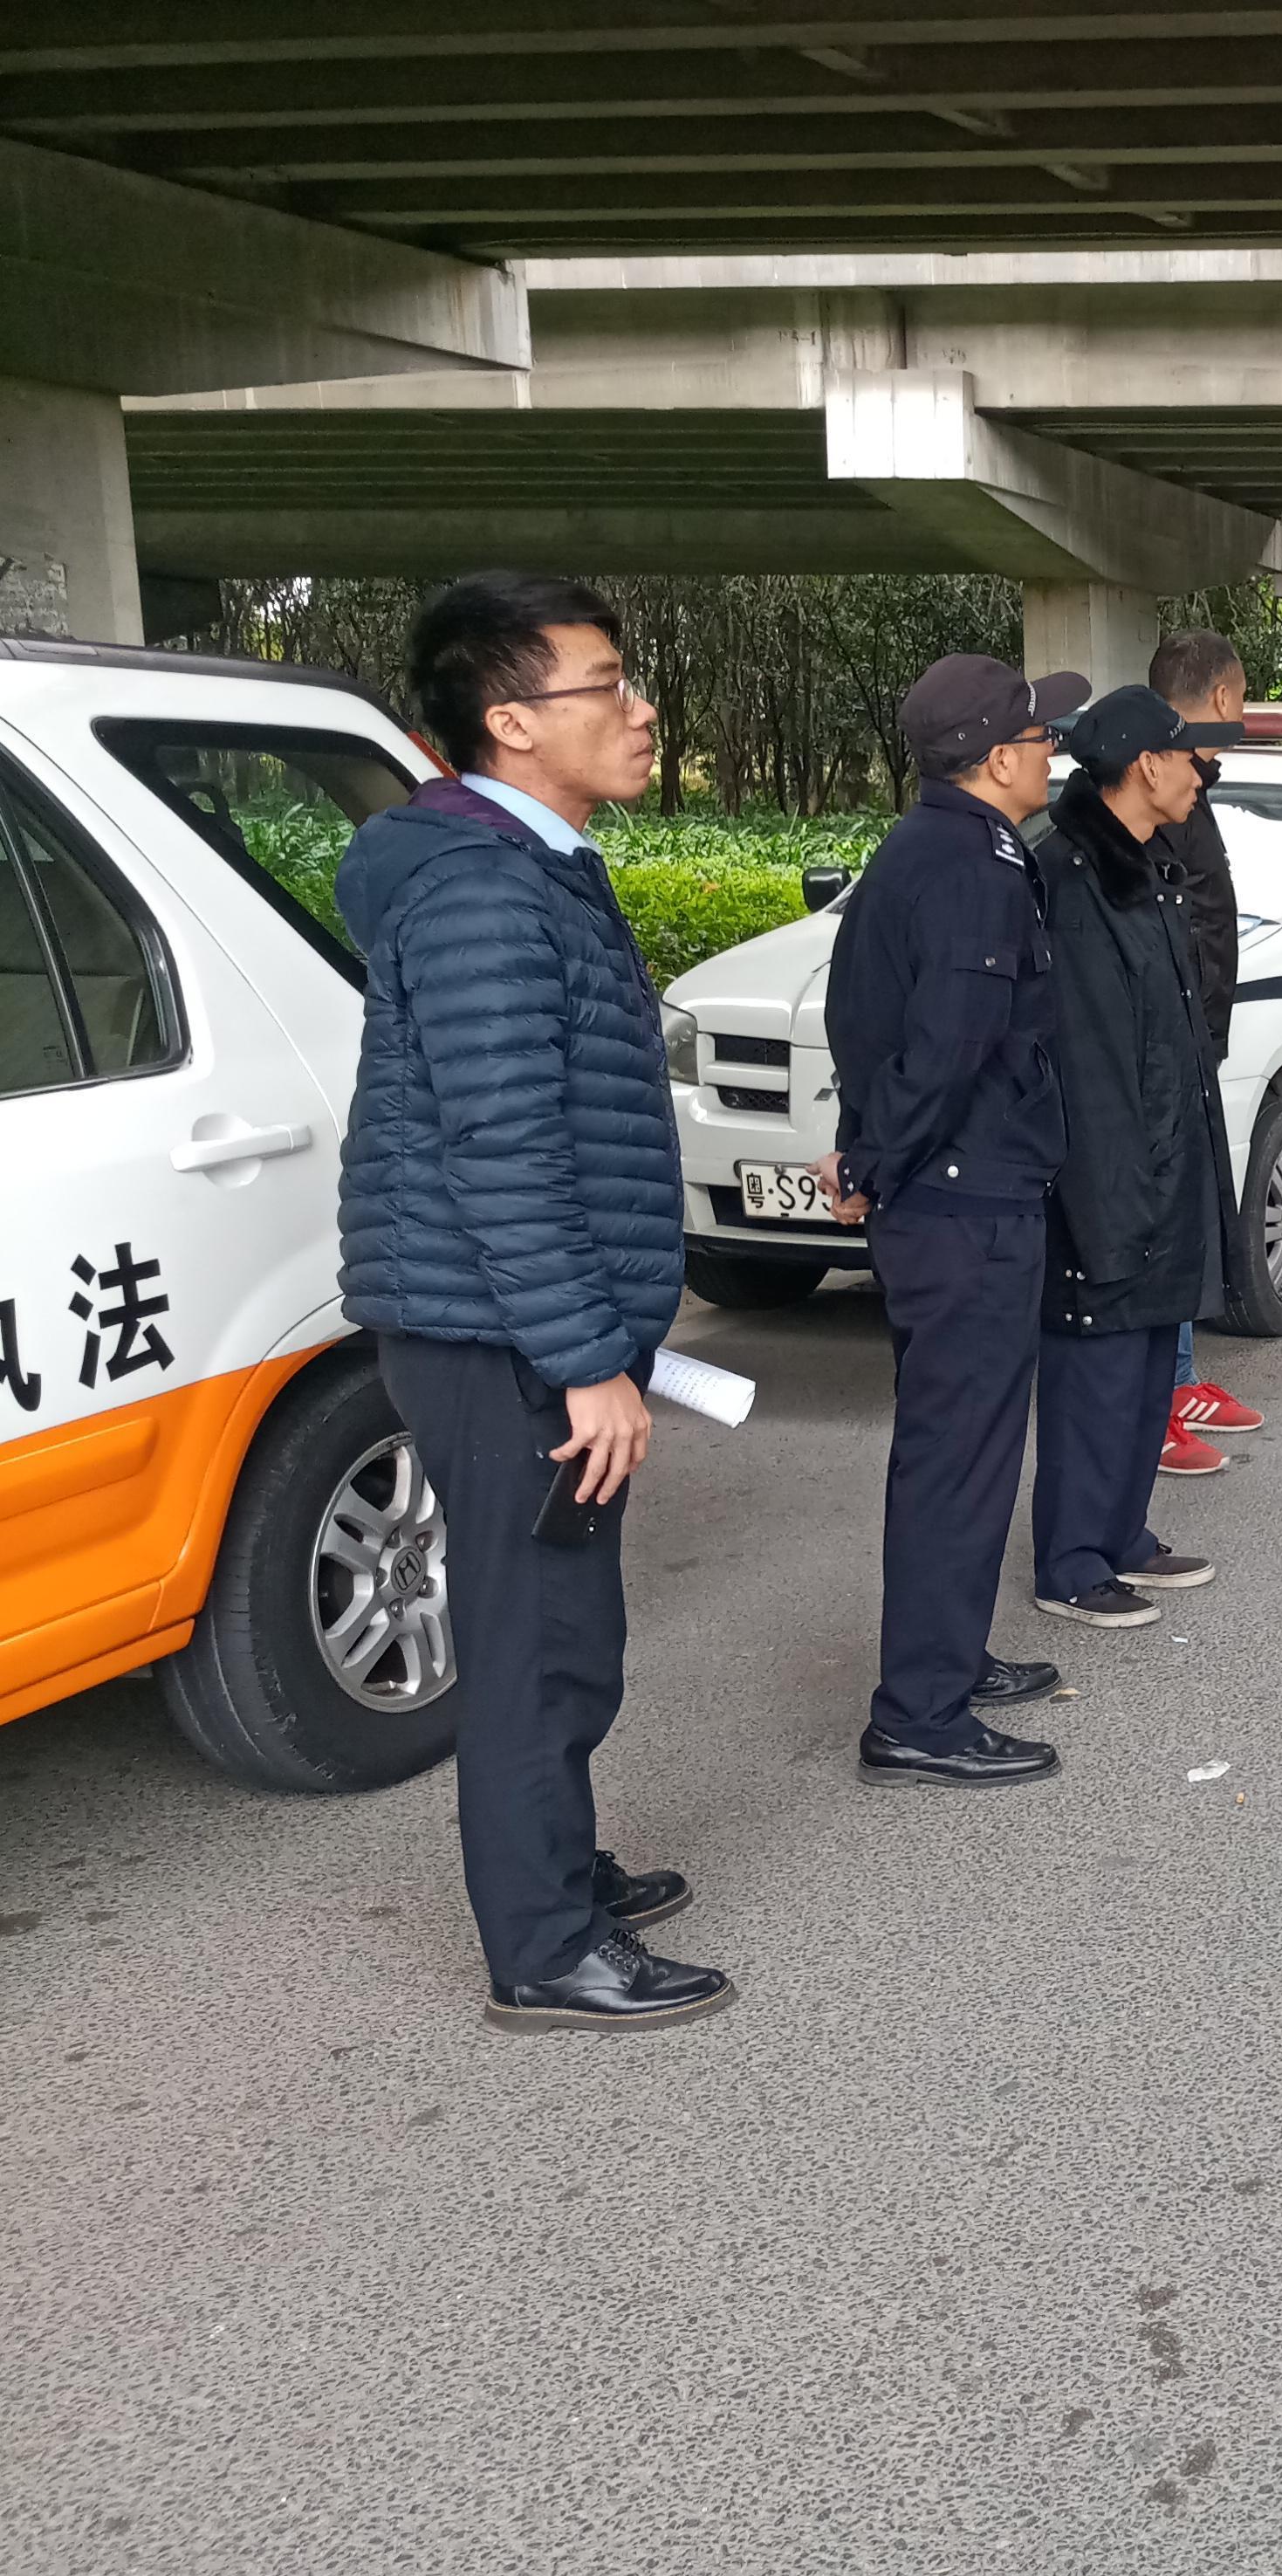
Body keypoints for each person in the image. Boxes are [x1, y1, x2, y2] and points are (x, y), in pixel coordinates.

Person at [332, 573, 727, 2030]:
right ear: (509, 721)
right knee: (537, 1636)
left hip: (518, 1325)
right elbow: (503, 1144)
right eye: (606, 685)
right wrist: (584, 1358)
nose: (639, 710)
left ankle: (557, 1867)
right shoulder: (484, 888)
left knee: (561, 1619)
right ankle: (545, 1944)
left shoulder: (533, 862)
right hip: (503, 1336)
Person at [821, 653, 1084, 1789]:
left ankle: (950, 1660)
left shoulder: (933, 850)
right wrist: (876, 1159)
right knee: (959, 1460)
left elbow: (866, 1021)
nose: (1049, 750)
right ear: (992, 757)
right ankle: (919, 1716)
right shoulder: (971, 867)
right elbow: (944, 1049)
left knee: (963, 1452)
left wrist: (867, 1147)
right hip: (965, 1206)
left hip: (951, 1193)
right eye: (1035, 734)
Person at [1031, 686, 1236, 1621]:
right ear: (1146, 765)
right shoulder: (1071, 878)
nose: (1201, 771)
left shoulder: (1143, 864)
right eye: (1188, 754)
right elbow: (1089, 1059)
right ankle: (1072, 1559)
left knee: (1148, 1357)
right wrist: (1111, 1194)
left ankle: (1120, 1534)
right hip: (1112, 1170)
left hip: (1162, 1152)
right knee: (1097, 1366)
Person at [1146, 628, 1263, 1470]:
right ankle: (1151, 1402)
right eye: (1245, 697)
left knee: (1188, 1215)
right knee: (1157, 1221)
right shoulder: (1152, 788)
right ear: (1221, 698)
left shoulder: (1194, 784)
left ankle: (1180, 1377)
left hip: (1193, 1046)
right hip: (1161, 1054)